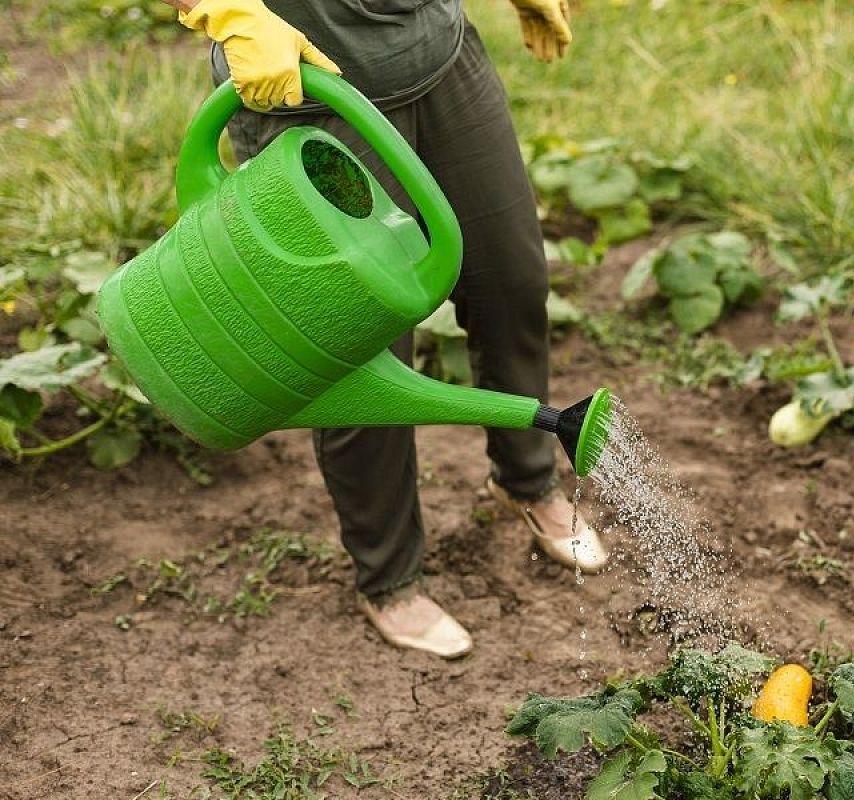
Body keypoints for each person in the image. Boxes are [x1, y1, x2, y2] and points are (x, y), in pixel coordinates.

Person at [162, 0, 608, 659]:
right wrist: (227, 12)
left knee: (510, 281)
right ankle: (389, 577)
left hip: (440, 56)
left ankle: (527, 477)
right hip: (309, 89)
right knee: (359, 348)